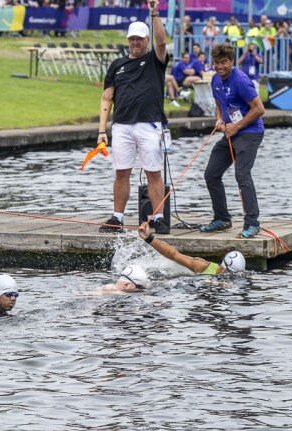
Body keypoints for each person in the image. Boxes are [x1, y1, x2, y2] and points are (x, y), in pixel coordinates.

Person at [97, 1, 171, 236]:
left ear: (146, 40)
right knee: (121, 172)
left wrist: (155, 12)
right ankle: (117, 217)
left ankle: (158, 217)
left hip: (149, 124)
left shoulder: (155, 60)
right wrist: (101, 130)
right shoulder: (117, 65)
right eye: (132, 38)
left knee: (153, 172)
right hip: (121, 127)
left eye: (140, 38)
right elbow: (107, 98)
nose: (135, 42)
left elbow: (162, 41)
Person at [200, 43, 266, 239]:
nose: (220, 66)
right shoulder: (215, 80)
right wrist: (219, 119)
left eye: (224, 62)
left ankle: (252, 223)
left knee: (242, 174)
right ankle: (222, 218)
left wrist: (237, 126)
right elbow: (219, 104)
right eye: (217, 62)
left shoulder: (241, 80)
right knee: (211, 174)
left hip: (250, 132)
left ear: (231, 62)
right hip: (231, 132)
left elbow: (259, 109)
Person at [137, 222, 246, 275]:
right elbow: (173, 255)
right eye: (230, 273)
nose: (232, 277)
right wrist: (149, 238)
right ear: (224, 267)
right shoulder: (202, 266)